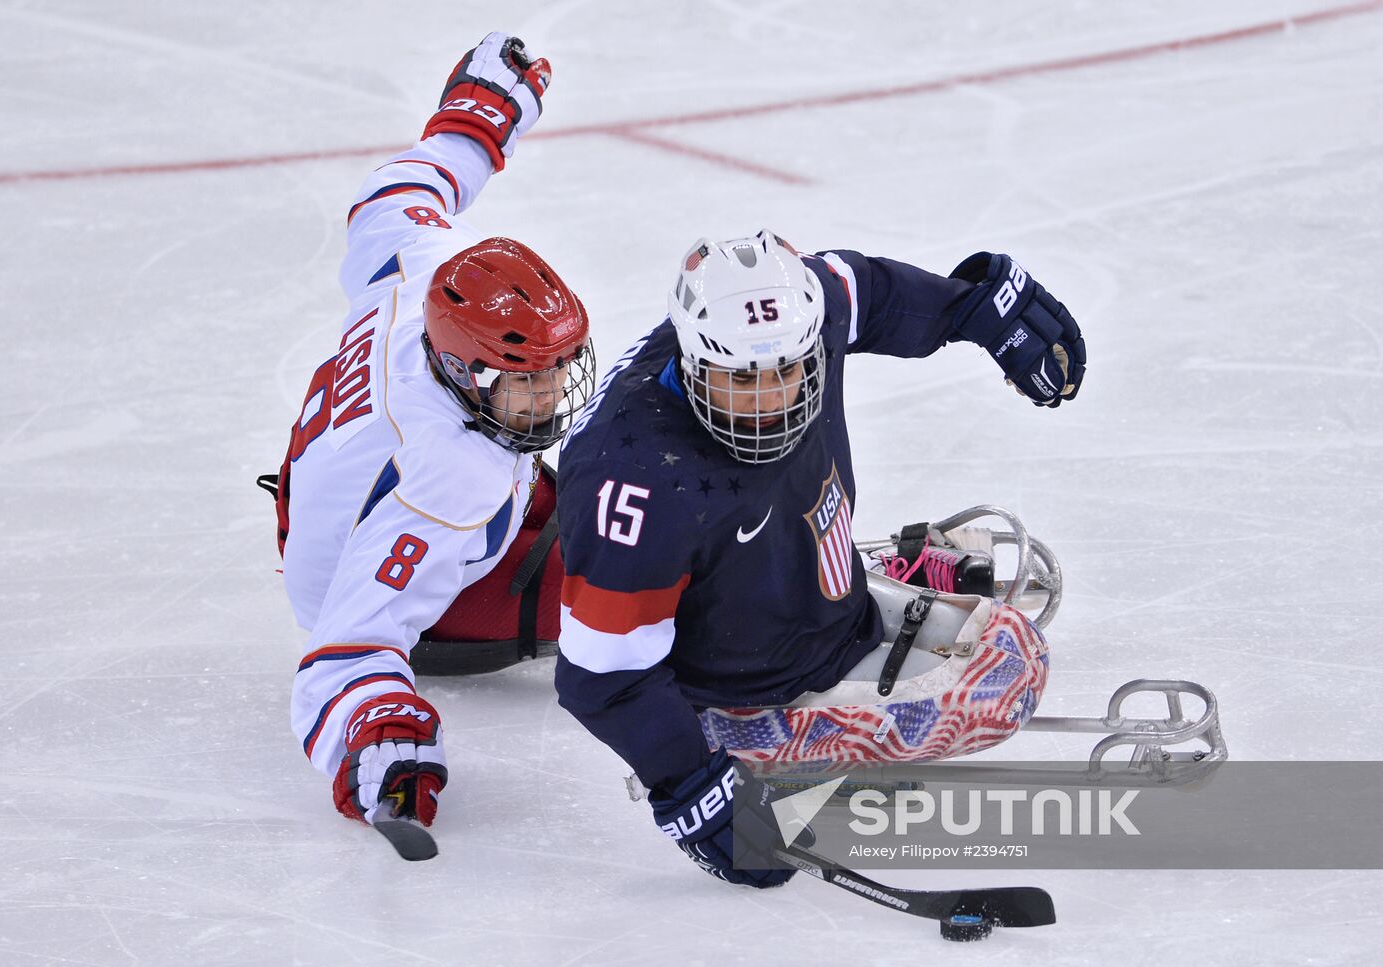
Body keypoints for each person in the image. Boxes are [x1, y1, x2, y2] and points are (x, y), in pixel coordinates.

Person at [553, 231, 1084, 887]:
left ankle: (837, 568)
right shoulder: (631, 478)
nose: (768, 399)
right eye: (740, 379)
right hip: (734, 682)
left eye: (786, 371)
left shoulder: (792, 314)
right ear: (693, 362)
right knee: (1011, 672)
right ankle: (744, 740)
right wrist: (691, 786)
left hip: (800, 594)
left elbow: (863, 288)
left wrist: (970, 305)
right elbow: (601, 672)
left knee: (999, 640)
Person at [268, 33, 595, 830]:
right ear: (465, 373)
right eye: (528, 380)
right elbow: (347, 646)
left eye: (558, 366)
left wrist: (480, 115)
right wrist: (379, 734)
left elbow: (406, 185)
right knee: (621, 582)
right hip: (362, 556)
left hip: (335, 483)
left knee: (618, 496)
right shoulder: (447, 480)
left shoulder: (423, 262)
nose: (552, 392)